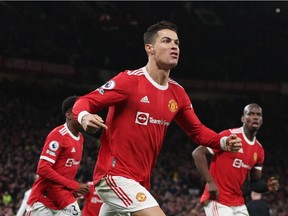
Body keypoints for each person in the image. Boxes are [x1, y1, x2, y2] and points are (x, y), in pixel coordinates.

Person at [72, 20, 242, 216]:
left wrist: (222, 141)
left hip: (141, 181)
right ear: (149, 48)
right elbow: (85, 101)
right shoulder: (129, 81)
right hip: (114, 175)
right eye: (167, 41)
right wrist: (84, 117)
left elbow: (197, 131)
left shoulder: (178, 93)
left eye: (177, 43)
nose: (174, 47)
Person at [192, 103, 280, 216]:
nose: (255, 117)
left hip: (238, 203)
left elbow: (254, 183)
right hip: (218, 200)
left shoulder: (259, 150)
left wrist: (266, 187)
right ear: (243, 118)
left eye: (258, 114)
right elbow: (198, 153)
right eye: (250, 114)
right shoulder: (230, 136)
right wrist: (210, 182)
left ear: (262, 120)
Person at [26, 96, 90, 216]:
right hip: (43, 200)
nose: (84, 117)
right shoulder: (58, 135)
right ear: (69, 115)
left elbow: (64, 170)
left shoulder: (80, 138)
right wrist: (74, 185)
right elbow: (43, 168)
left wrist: (72, 188)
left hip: (64, 199)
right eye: (80, 112)